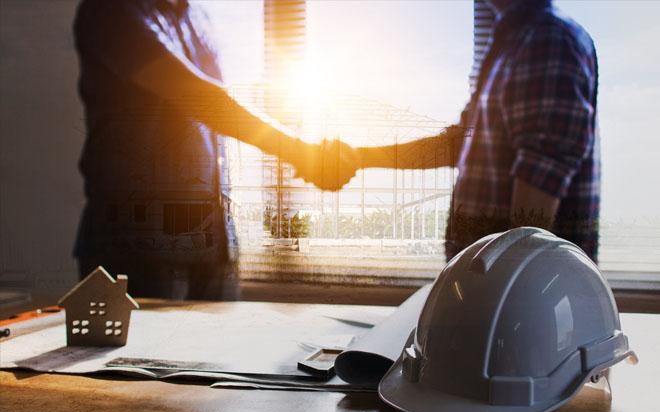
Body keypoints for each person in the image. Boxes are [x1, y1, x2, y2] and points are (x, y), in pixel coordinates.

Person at [73, 0, 357, 300]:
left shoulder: (196, 16)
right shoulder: (112, 10)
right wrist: (302, 152)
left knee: (218, 345)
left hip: (213, 241)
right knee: (145, 348)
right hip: (137, 245)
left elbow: (213, 114)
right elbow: (202, 98)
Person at [357, 0, 600, 262]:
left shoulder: (547, 41)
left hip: (512, 295)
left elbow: (539, 182)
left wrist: (496, 291)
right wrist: (358, 157)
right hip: (494, 290)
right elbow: (456, 145)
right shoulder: (512, 45)